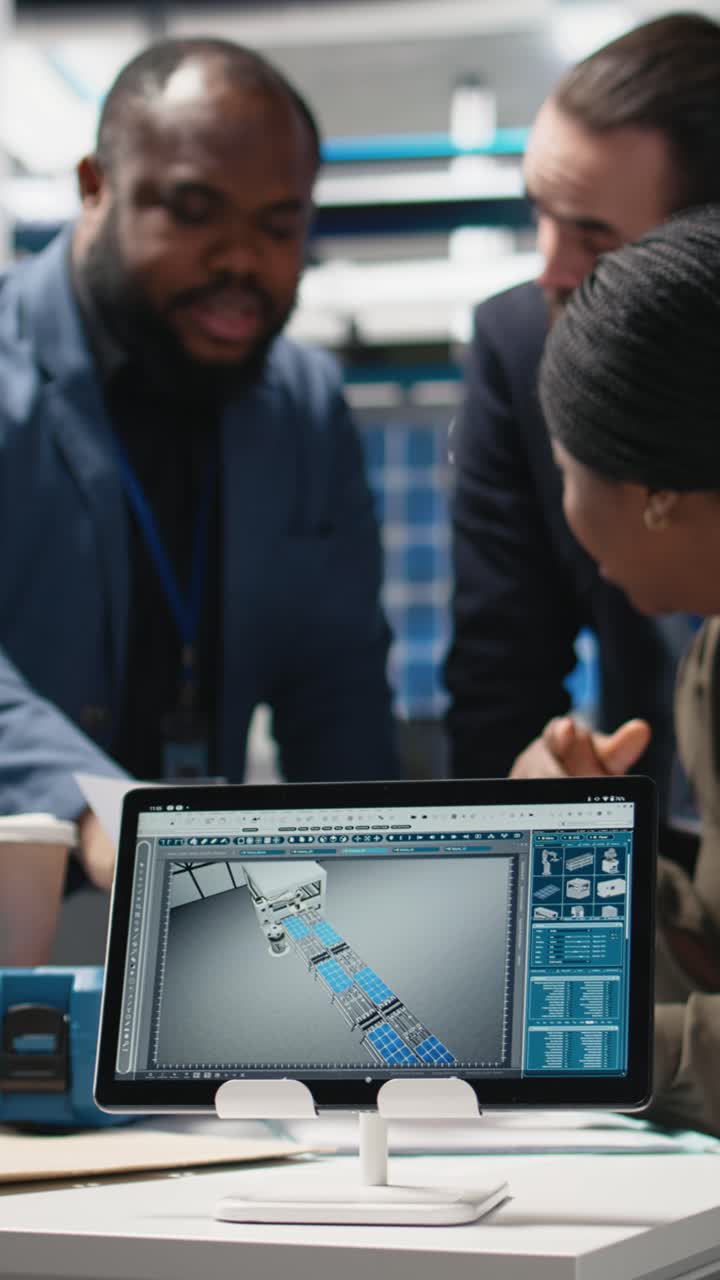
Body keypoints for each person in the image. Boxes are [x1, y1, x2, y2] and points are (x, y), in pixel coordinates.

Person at [0, 36, 397, 905]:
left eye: (279, 225)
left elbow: (338, 697)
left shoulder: (302, 405)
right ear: (93, 186)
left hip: (192, 919)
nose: (241, 261)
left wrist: (377, 893)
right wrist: (94, 806)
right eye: (192, 210)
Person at [445, 13, 720, 815]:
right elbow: (500, 668)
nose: (550, 269)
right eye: (539, 211)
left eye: (594, 239)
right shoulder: (519, 343)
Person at [527, 205, 720, 1134]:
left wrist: (566, 1049)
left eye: (567, 463)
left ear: (654, 496)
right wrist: (591, 852)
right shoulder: (713, 656)